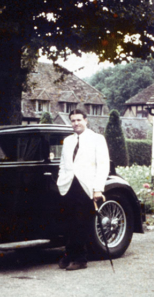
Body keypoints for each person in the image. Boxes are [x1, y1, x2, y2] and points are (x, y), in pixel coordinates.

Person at [57, 109, 110, 270]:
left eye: (79, 120)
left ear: (86, 120)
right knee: (69, 223)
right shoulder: (67, 141)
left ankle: (80, 259)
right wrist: (61, 180)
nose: (76, 123)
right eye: (73, 120)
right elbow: (63, 164)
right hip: (68, 186)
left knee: (81, 222)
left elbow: (103, 165)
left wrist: (98, 189)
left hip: (86, 187)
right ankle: (69, 255)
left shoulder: (97, 139)